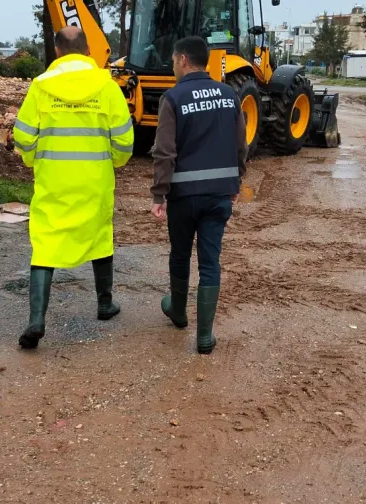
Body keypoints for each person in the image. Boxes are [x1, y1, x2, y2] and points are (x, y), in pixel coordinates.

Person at [13, 26, 134, 350]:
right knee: (99, 235)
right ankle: (104, 304)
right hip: (94, 180)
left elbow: (23, 136)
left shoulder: (40, 87)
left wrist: (33, 160)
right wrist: (114, 162)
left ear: (57, 51)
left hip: (53, 181)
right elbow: (124, 140)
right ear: (87, 50)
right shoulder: (106, 86)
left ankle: (37, 320)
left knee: (46, 244)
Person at [150, 36, 248, 354]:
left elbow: (164, 152)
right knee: (210, 261)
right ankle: (204, 337)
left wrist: (159, 194)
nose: (173, 65)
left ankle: (178, 313)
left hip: (183, 195)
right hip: (219, 194)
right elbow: (240, 146)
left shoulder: (174, 97)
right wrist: (236, 181)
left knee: (180, 254)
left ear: (182, 60)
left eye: (173, 60)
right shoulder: (229, 95)